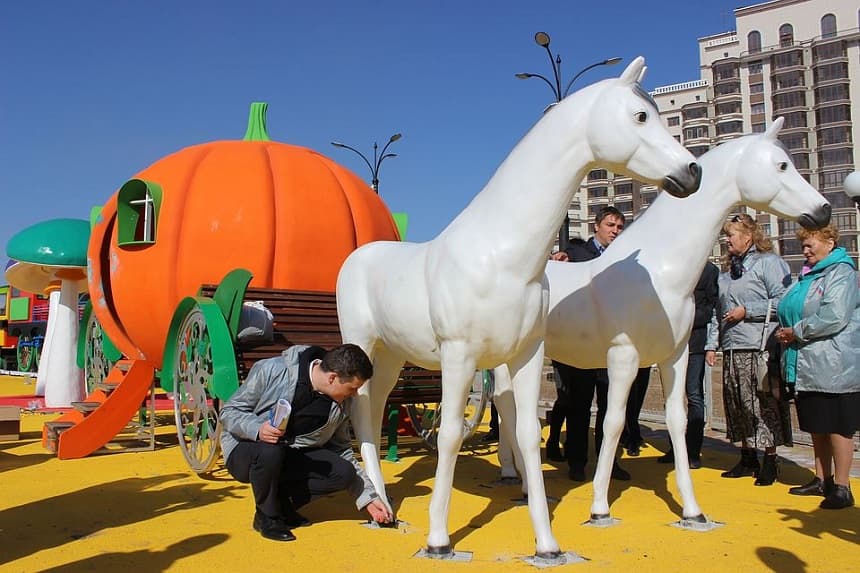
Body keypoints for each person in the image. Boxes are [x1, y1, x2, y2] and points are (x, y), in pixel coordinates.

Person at [220, 343, 392, 541]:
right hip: (246, 450)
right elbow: (229, 412)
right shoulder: (271, 370)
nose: (354, 394)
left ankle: (282, 504)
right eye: (352, 388)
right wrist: (257, 429)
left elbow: (341, 449)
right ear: (332, 378)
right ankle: (267, 517)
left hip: (289, 454)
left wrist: (367, 497)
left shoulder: (342, 403)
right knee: (270, 451)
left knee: (344, 472)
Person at [775, 224, 859, 509]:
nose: (805, 250)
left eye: (811, 245)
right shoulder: (808, 275)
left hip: (833, 363)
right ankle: (821, 478)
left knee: (838, 426)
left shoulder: (842, 273)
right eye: (804, 245)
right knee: (817, 425)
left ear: (830, 242)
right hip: (807, 362)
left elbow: (834, 315)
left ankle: (843, 486)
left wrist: (796, 331)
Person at [710, 213, 793, 486]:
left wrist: (748, 311)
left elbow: (783, 301)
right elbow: (717, 312)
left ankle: (770, 458)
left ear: (747, 237)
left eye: (731, 235)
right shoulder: (726, 273)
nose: (727, 240)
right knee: (737, 402)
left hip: (759, 346)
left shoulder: (769, 263)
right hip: (732, 347)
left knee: (762, 403)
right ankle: (747, 456)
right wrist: (712, 344)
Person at [550, 206, 631, 482]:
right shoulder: (576, 255)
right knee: (579, 406)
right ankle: (577, 462)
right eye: (610, 225)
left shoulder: (624, 260)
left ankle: (610, 462)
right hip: (583, 345)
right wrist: (559, 260)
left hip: (611, 346)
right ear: (596, 226)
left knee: (612, 407)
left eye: (619, 227)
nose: (615, 231)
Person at [657, 261, 719, 468]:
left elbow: (711, 306)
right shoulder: (673, 267)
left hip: (694, 342)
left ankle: (693, 451)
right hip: (671, 343)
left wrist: (686, 319)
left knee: (693, 395)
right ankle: (674, 447)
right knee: (671, 396)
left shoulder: (710, 270)